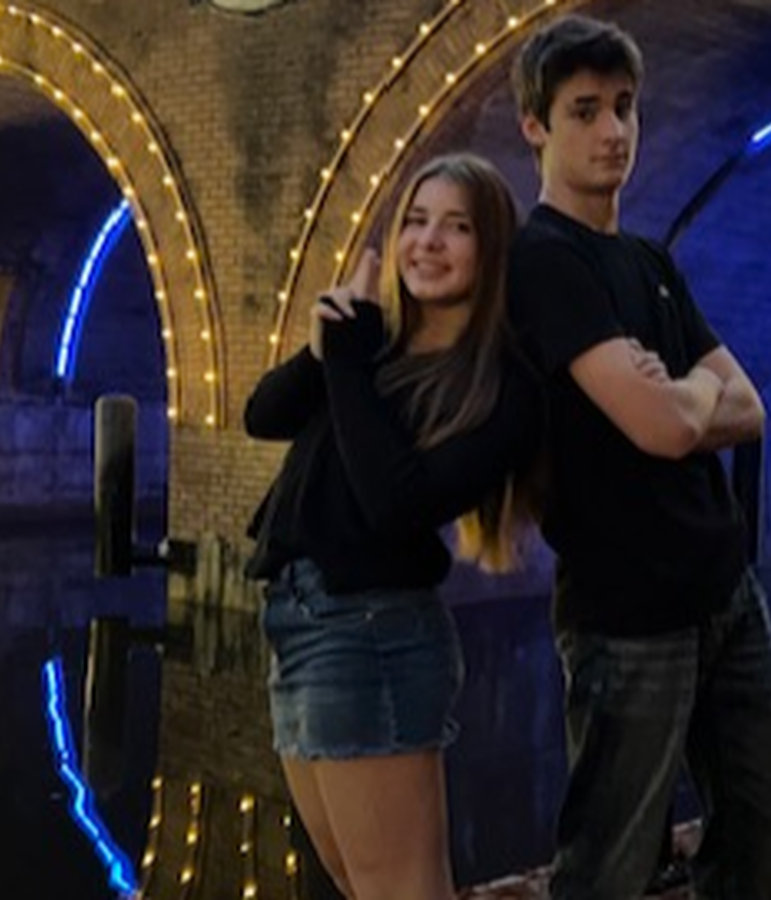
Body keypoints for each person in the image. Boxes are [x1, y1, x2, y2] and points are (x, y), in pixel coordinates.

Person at [506, 14, 771, 900]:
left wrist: (681, 393)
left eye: (625, 107)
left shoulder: (651, 262)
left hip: (727, 593)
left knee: (762, 837)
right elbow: (663, 431)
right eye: (585, 110)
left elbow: (750, 408)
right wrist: (692, 397)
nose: (614, 131)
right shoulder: (541, 262)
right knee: (609, 866)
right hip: (628, 616)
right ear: (535, 125)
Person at [243, 152, 543, 900]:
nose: (428, 242)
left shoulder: (500, 387)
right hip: (297, 619)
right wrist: (327, 345)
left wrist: (346, 366)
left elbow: (395, 504)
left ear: (491, 249)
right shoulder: (373, 344)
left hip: (371, 634)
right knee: (356, 881)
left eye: (457, 227)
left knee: (398, 890)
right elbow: (262, 415)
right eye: (415, 221)